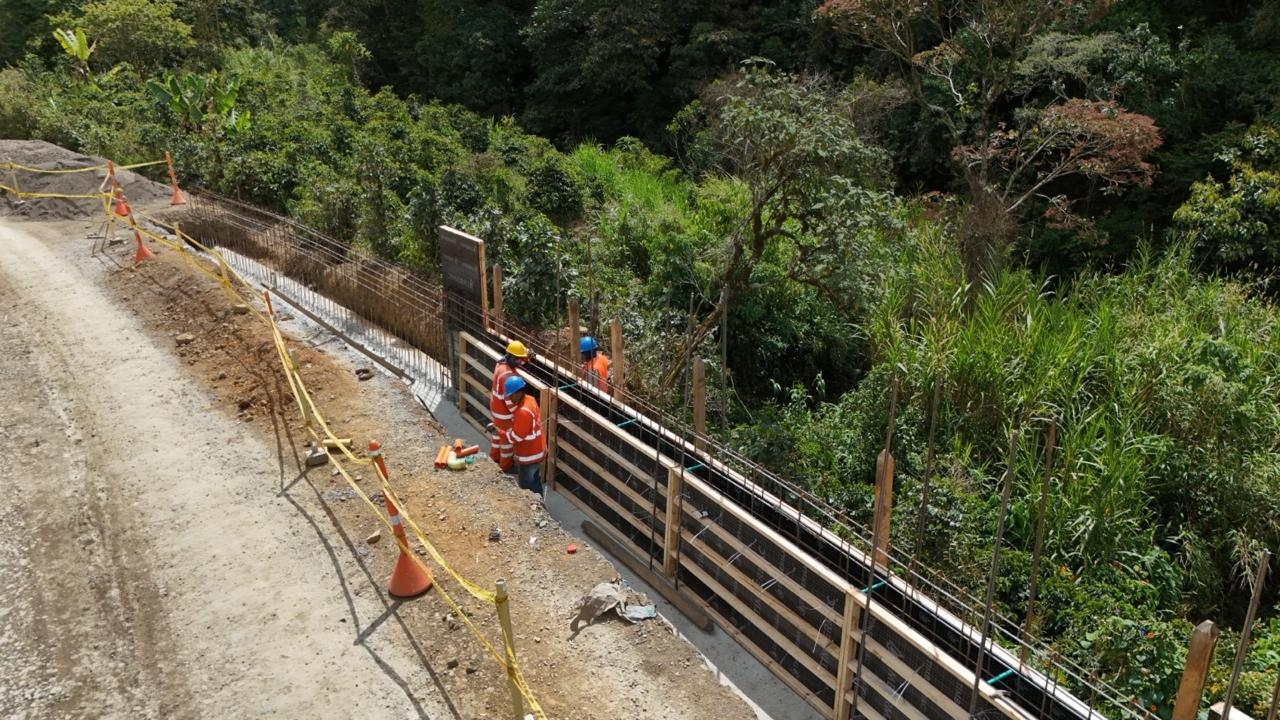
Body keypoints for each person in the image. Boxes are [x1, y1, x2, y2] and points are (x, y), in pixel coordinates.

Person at [489, 340, 529, 472]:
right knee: (506, 440)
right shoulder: (507, 376)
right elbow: (509, 399)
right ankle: (505, 466)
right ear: (510, 356)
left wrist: (527, 357)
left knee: (497, 434)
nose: (520, 362)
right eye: (517, 359)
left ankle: (494, 458)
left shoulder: (501, 364)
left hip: (496, 407)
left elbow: (517, 361)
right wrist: (517, 412)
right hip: (504, 412)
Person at [504, 375, 546, 497]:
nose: (510, 398)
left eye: (511, 395)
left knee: (528, 487)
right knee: (535, 481)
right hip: (536, 450)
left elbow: (516, 437)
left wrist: (502, 433)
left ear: (519, 393)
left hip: (529, 455)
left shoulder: (523, 412)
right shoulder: (530, 400)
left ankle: (537, 507)